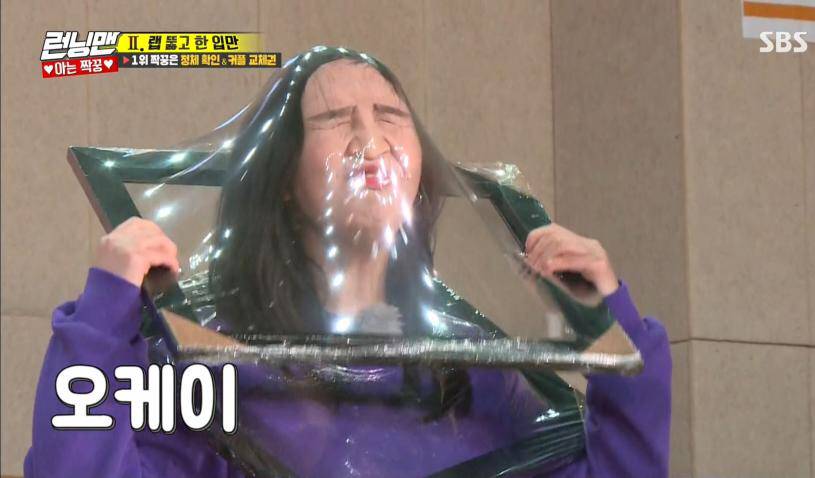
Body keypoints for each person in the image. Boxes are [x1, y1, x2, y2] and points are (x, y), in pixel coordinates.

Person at [25, 47, 672, 477]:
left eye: (390, 117)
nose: (372, 142)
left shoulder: (476, 369)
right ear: (282, 174)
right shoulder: (207, 358)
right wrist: (102, 323)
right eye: (336, 120)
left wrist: (613, 333)